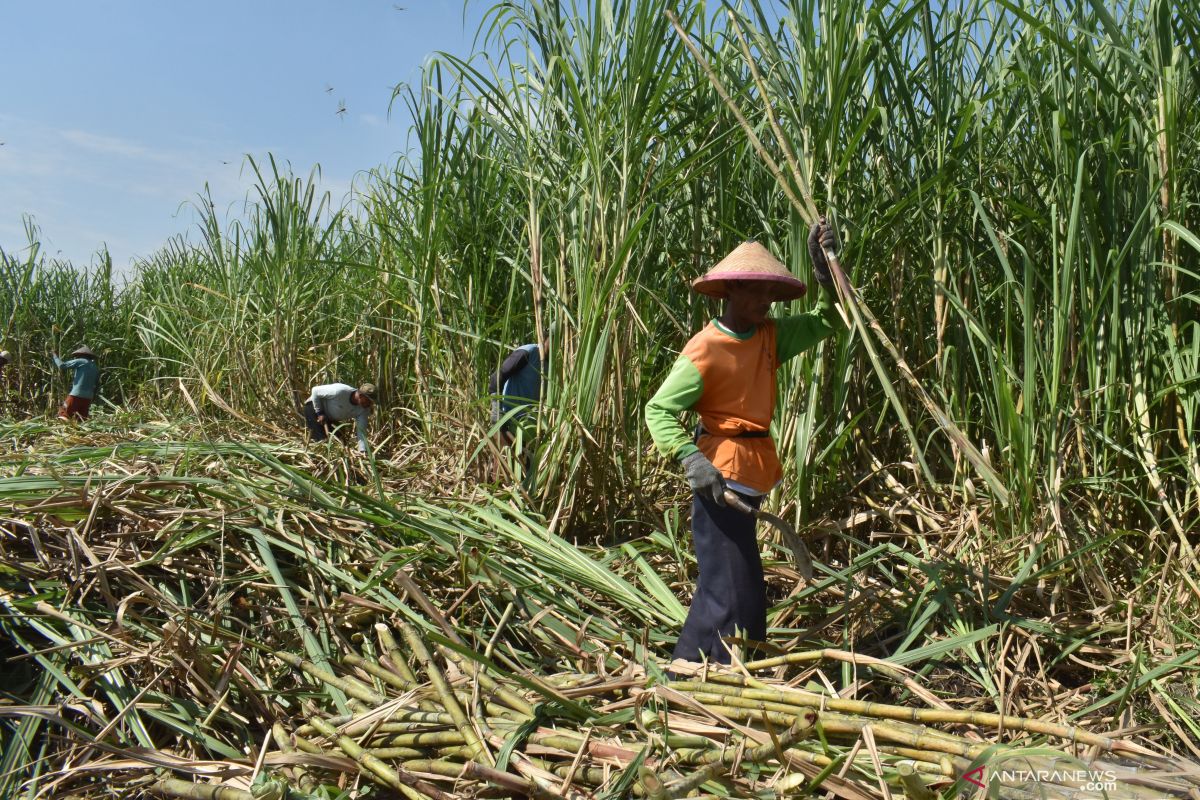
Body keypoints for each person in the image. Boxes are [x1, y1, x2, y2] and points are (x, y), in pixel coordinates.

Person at [645, 220, 842, 666]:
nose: (763, 302)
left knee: (738, 585)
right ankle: (694, 674)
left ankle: (727, 671)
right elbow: (657, 409)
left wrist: (826, 272)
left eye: (769, 293)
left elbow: (830, 320)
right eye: (753, 292)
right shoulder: (707, 349)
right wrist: (691, 458)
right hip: (719, 475)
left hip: (751, 470)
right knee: (731, 588)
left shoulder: (770, 336)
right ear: (730, 290)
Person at [488, 342, 543, 443]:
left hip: (528, 427)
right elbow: (496, 378)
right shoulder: (529, 352)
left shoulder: (553, 363)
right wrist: (497, 412)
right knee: (504, 456)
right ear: (545, 338)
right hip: (508, 422)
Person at [303, 382, 376, 453]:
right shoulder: (339, 391)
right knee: (322, 441)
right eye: (368, 401)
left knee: (342, 443)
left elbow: (361, 431)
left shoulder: (363, 409)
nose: (370, 404)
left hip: (329, 418)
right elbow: (315, 390)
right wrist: (320, 413)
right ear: (360, 396)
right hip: (313, 409)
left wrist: (363, 450)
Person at [53, 346, 100, 421]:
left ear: (80, 355)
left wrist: (55, 356)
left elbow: (62, 366)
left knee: (64, 415)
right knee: (81, 420)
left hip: (76, 395)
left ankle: (62, 431)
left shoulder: (81, 361)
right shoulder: (95, 367)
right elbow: (97, 384)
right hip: (88, 397)